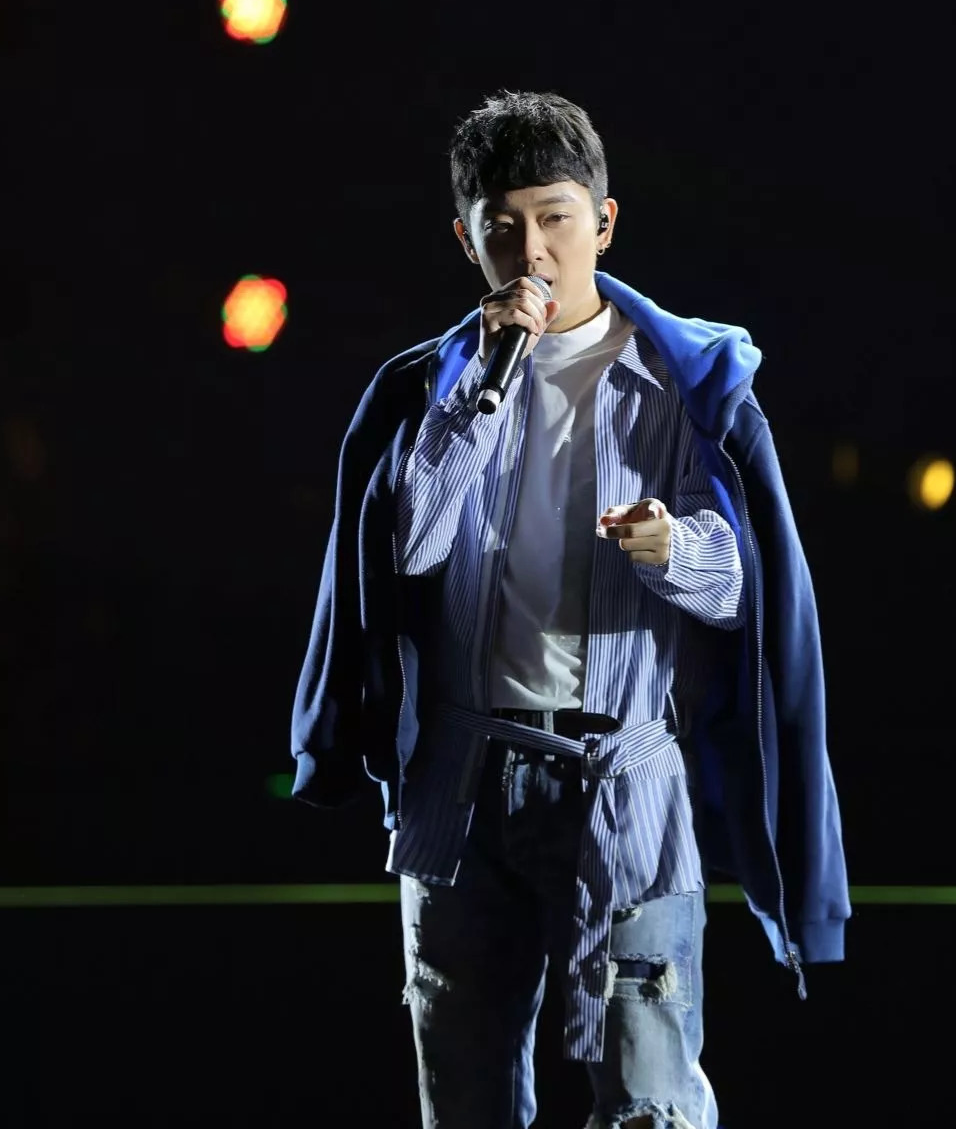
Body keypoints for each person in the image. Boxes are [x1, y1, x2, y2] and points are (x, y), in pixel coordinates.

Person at [290, 89, 849, 1129]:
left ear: (603, 221)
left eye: (554, 217)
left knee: (648, 1095)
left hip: (624, 782)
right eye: (501, 227)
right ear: (466, 239)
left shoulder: (688, 382)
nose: (533, 249)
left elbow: (752, 591)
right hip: (461, 782)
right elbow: (406, 550)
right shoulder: (430, 387)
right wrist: (476, 393)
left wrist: (675, 549)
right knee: (463, 1097)